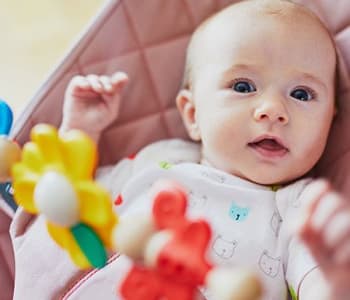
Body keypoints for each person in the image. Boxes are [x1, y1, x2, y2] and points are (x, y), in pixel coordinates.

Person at [59, 0, 350, 299]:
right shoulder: (157, 160)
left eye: (302, 94)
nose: (273, 110)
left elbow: (319, 284)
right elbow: (67, 198)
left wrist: (336, 280)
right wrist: (80, 131)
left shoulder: (301, 209)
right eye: (243, 87)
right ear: (192, 113)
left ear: (331, 121)